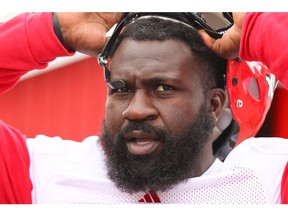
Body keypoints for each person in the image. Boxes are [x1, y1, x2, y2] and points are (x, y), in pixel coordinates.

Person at [0, 12, 288, 204]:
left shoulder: (268, 180)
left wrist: (257, 26)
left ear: (214, 105)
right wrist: (52, 31)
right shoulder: (43, 172)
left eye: (163, 88)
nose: (135, 111)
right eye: (120, 89)